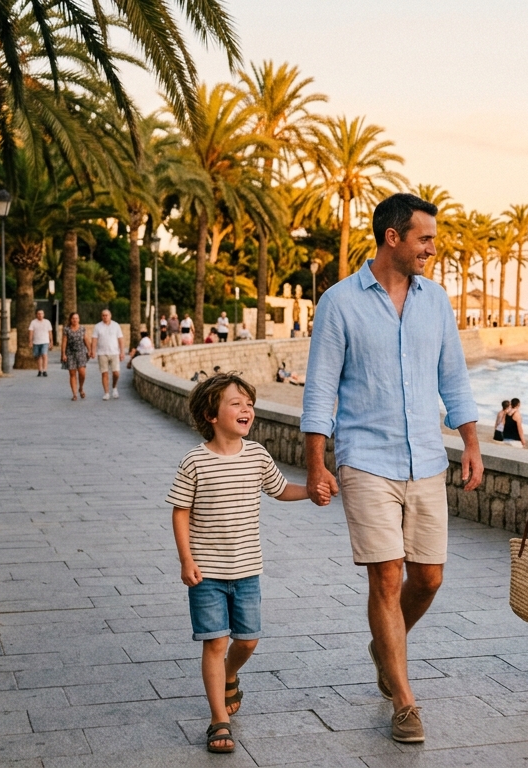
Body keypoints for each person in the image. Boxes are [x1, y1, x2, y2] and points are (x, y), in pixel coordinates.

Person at [301, 193, 483, 745]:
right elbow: (320, 387)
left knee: (428, 578)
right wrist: (316, 463)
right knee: (386, 575)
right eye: (425, 239)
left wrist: (471, 442)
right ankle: (404, 699)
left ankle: (386, 644)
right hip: (366, 458)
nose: (433, 248)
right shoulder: (339, 302)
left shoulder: (436, 302)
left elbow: (453, 378)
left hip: (427, 456)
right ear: (393, 237)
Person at [167, 373, 310, 753]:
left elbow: (279, 490)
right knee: (214, 643)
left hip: (247, 570)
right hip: (207, 574)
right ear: (211, 414)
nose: (246, 409)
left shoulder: (258, 455)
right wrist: (186, 560)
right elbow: (180, 512)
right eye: (236, 403)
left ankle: (230, 674)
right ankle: (219, 721)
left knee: (247, 641)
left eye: (249, 403)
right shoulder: (195, 461)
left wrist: (311, 490)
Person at [90, 309, 125, 401]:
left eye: (107, 315)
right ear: (101, 316)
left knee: (116, 372)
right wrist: (93, 351)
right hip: (102, 353)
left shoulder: (116, 325)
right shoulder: (98, 326)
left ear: (110, 316)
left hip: (114, 352)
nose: (105, 317)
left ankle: (114, 388)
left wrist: (122, 352)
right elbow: (94, 339)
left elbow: (120, 339)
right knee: (104, 373)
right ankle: (106, 393)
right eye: (103, 315)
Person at [61, 313, 89, 400]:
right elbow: (64, 342)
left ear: (79, 319)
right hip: (70, 353)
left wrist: (90, 350)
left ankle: (80, 388)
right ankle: (74, 394)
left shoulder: (82, 328)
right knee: (72, 374)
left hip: (81, 352)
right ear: (70, 319)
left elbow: (86, 340)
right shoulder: (66, 329)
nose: (75, 320)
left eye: (76, 318)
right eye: (73, 318)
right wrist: (63, 354)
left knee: (82, 373)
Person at [28, 309, 54, 376]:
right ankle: (40, 370)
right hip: (36, 342)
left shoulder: (47, 322)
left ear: (44, 314)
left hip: (45, 341)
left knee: (44, 355)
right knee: (38, 356)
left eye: (41, 313)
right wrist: (30, 341)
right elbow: (31, 332)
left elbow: (50, 332)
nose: (40, 315)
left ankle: (45, 370)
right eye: (39, 313)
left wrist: (51, 341)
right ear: (36, 314)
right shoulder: (33, 322)